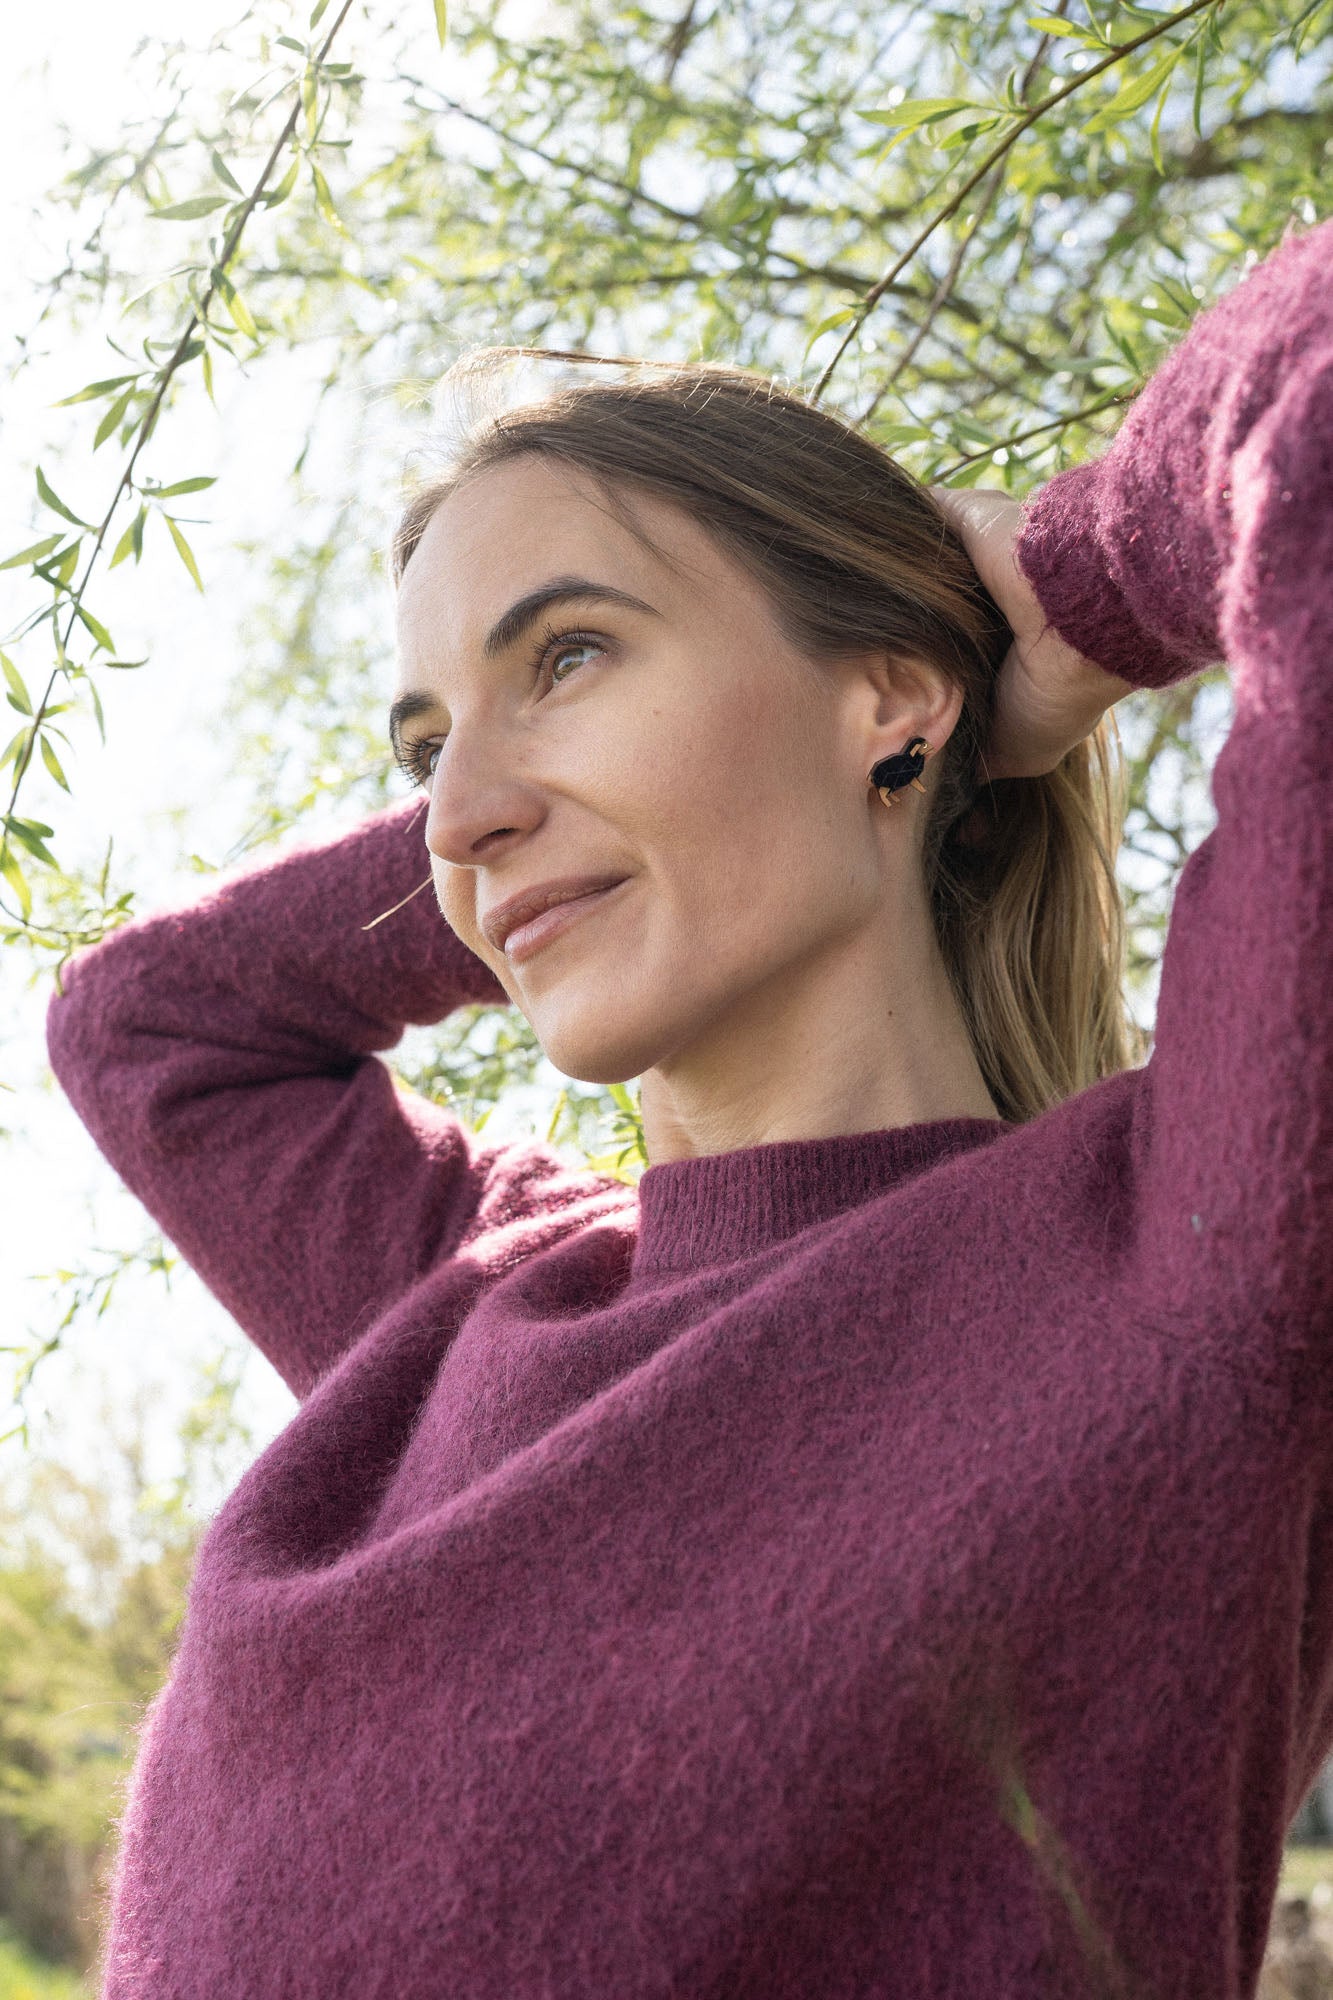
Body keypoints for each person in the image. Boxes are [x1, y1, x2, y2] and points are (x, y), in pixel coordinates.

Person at [46, 218, 1330, 2000]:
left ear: (886, 698)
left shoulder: (1194, 1254)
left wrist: (1063, 601)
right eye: (427, 748)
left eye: (567, 656)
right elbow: (147, 1024)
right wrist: (549, 829)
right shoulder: (465, 1296)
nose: (452, 811)